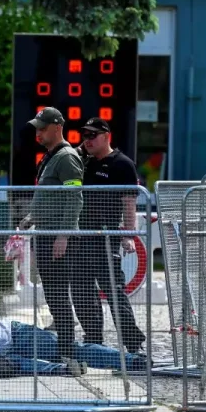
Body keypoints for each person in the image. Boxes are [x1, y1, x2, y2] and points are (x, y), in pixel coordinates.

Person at [71, 117, 147, 354]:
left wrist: (128, 234)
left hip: (106, 238)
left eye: (93, 135)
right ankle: (94, 341)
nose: (88, 140)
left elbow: (129, 203)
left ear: (106, 136)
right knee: (82, 292)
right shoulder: (83, 161)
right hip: (81, 237)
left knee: (114, 292)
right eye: (85, 135)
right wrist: (80, 149)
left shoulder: (122, 164)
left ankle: (133, 344)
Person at [18, 107, 84, 360]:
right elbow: (49, 197)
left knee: (57, 293)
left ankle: (67, 351)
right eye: (37, 128)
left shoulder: (66, 157)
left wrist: (63, 235)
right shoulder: (51, 157)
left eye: (43, 128)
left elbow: (75, 197)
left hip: (58, 237)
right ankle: (64, 349)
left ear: (58, 127)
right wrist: (32, 217)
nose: (38, 133)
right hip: (46, 233)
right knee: (53, 294)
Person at [0, 306, 146, 376]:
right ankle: (64, 370)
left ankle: (131, 361)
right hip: (5, 356)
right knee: (25, 366)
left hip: (15, 333)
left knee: (71, 348)